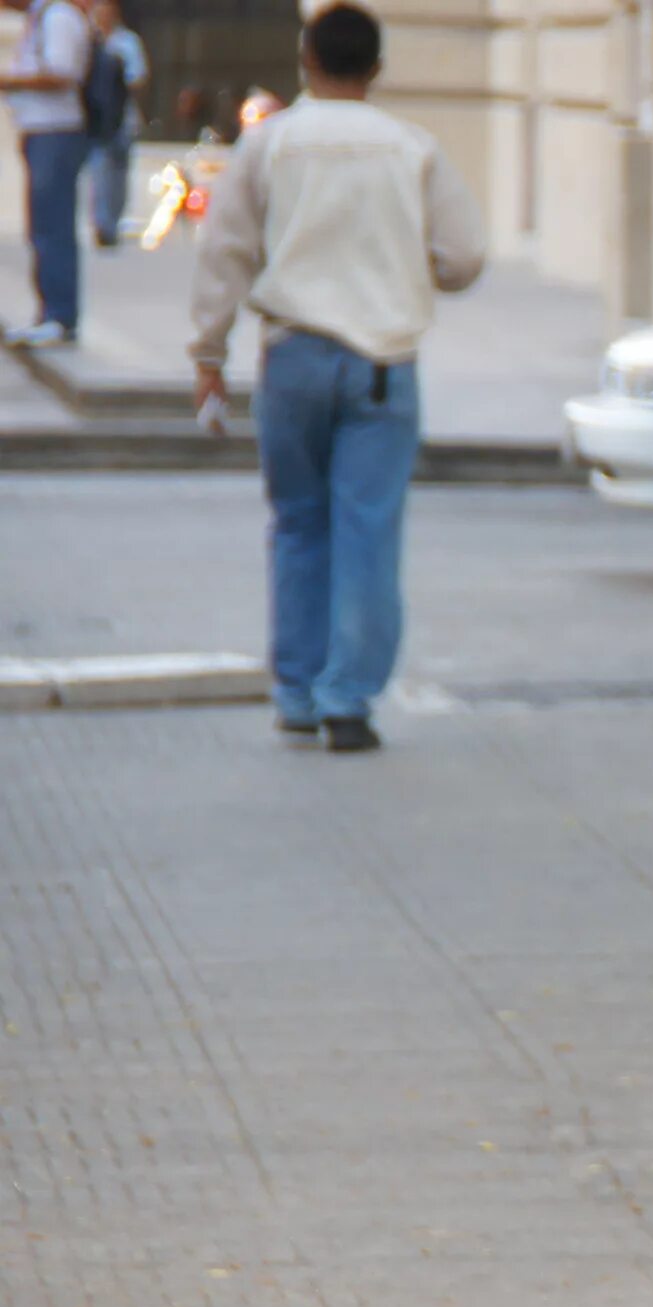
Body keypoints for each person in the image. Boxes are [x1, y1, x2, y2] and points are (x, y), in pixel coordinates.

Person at [189, 3, 484, 753]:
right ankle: (348, 699)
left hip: (293, 356)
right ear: (377, 69)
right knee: (368, 530)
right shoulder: (413, 148)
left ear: (305, 60)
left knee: (297, 524)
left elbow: (224, 252)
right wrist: (408, 269)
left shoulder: (271, 145)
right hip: (383, 361)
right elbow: (464, 257)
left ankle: (294, 692)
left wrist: (208, 357)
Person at [2, 0, 94, 344]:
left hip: (55, 130)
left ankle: (59, 315)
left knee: (52, 226)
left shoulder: (58, 17)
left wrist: (10, 82)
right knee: (43, 225)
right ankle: (50, 310)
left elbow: (62, 73)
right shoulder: (42, 18)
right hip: (39, 130)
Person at [81, 0, 143, 249]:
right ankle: (103, 225)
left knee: (118, 173)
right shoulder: (88, 40)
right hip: (98, 121)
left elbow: (138, 78)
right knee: (100, 172)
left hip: (122, 119)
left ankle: (113, 221)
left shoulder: (126, 43)